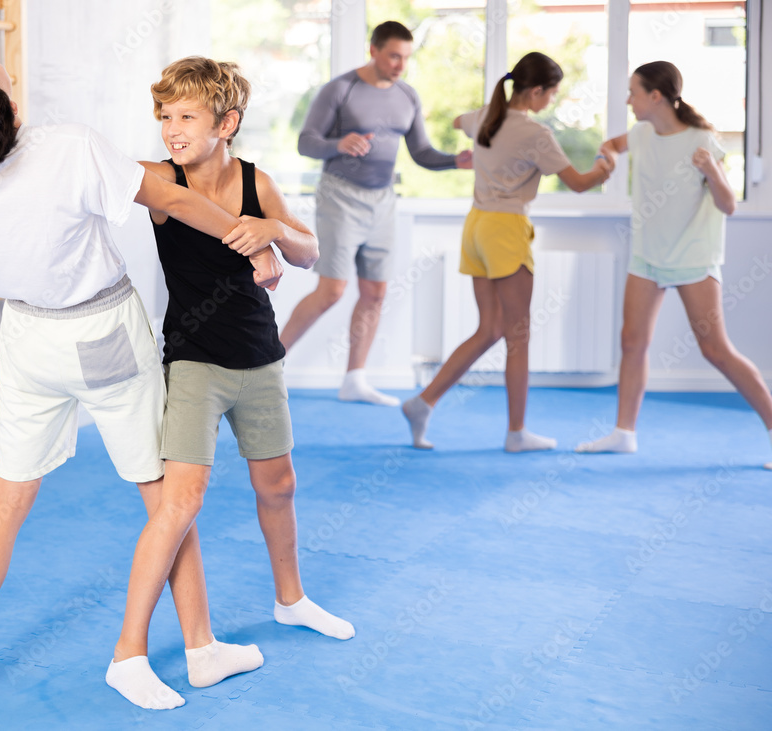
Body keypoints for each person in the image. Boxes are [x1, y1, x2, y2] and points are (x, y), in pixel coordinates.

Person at [0, 29, 284, 713]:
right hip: (102, 333)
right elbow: (180, 200)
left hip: (29, 341)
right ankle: (199, 647)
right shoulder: (66, 147)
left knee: (5, 503)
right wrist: (248, 240)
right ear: (6, 108)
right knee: (162, 499)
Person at [106, 56, 354, 712]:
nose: (171, 128)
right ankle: (127, 653)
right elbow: (122, 182)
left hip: (260, 356)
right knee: (179, 501)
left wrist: (273, 231)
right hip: (192, 361)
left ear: (227, 123)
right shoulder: (158, 178)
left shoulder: (255, 181)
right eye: (164, 116)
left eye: (186, 116)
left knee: (279, 485)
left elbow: (312, 252)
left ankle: (291, 599)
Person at [401, 52, 614, 452]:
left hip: (477, 226)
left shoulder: (486, 115)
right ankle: (517, 434)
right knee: (519, 336)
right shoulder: (536, 133)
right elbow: (580, 184)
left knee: (490, 329)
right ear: (535, 91)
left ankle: (422, 402)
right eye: (551, 93)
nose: (550, 101)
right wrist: (606, 164)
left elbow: (455, 121)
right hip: (506, 229)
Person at [574, 61, 772, 467]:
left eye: (633, 92)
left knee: (715, 350)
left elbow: (728, 205)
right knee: (632, 341)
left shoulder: (703, 140)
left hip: (693, 256)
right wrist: (605, 158)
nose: (628, 100)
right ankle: (624, 433)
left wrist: (713, 170)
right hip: (647, 255)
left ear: (656, 96)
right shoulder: (641, 134)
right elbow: (611, 145)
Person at [279, 20, 472, 407]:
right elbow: (306, 143)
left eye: (406, 58)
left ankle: (355, 378)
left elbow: (422, 153)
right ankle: (268, 364)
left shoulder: (407, 96)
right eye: (394, 56)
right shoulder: (340, 89)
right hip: (340, 197)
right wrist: (340, 143)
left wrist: (456, 161)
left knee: (375, 292)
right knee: (332, 290)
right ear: (374, 50)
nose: (400, 65)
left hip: (383, 200)